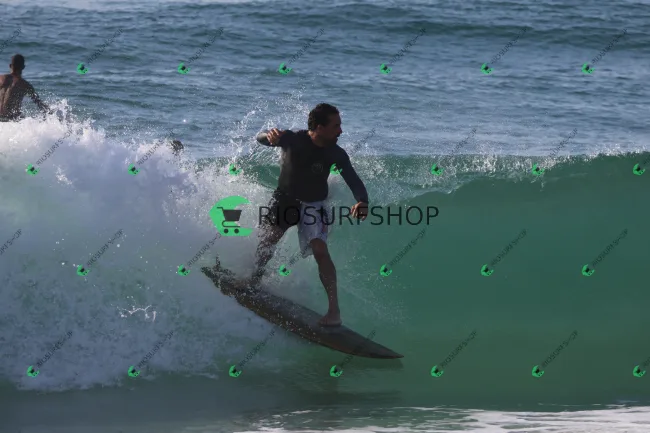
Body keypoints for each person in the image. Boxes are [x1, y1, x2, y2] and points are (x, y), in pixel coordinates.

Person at [227, 103, 369, 327]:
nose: (340, 131)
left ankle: (334, 312)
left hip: (314, 205)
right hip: (285, 201)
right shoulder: (292, 139)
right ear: (319, 128)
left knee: (320, 251)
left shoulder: (335, 153)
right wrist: (269, 135)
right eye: (336, 126)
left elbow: (353, 179)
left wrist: (362, 201)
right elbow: (260, 138)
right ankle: (253, 280)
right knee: (268, 241)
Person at [0, 54, 50, 122]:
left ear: (10, 66)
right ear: (23, 67)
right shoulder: (25, 85)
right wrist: (52, 115)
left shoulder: (1, 79)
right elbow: (40, 104)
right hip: (11, 120)